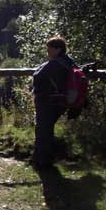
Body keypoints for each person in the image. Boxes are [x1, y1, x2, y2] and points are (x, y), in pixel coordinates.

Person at [32, 36, 76, 169]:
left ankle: (43, 162)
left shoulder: (55, 64)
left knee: (43, 130)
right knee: (47, 129)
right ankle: (44, 159)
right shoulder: (69, 61)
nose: (47, 51)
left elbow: (38, 76)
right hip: (61, 101)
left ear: (58, 49)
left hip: (49, 101)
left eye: (49, 49)